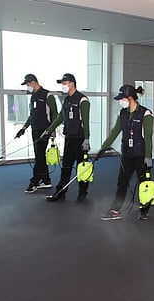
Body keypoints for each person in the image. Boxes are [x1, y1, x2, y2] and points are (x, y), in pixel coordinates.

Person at [100, 85, 154, 221]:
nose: (120, 102)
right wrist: (103, 147)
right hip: (127, 154)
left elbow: (148, 136)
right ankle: (115, 210)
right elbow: (115, 132)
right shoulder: (122, 113)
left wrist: (148, 156)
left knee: (144, 183)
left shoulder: (146, 114)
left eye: (122, 99)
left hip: (141, 154)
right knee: (121, 182)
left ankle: (144, 209)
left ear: (130, 98)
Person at [42, 73, 91, 203]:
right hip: (69, 137)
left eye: (64, 83)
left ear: (71, 83)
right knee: (66, 167)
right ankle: (60, 192)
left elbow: (86, 121)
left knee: (82, 167)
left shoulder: (83, 100)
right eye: (62, 84)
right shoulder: (67, 100)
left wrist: (87, 139)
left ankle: (82, 193)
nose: (63, 86)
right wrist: (49, 130)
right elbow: (60, 117)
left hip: (80, 139)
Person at [16, 74, 58, 193]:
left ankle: (34, 181)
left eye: (28, 85)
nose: (27, 87)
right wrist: (24, 128)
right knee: (39, 155)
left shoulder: (47, 95)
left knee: (39, 155)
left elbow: (55, 114)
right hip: (35, 129)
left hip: (45, 130)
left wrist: (52, 130)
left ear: (33, 82)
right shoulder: (33, 97)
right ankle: (46, 180)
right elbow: (32, 115)